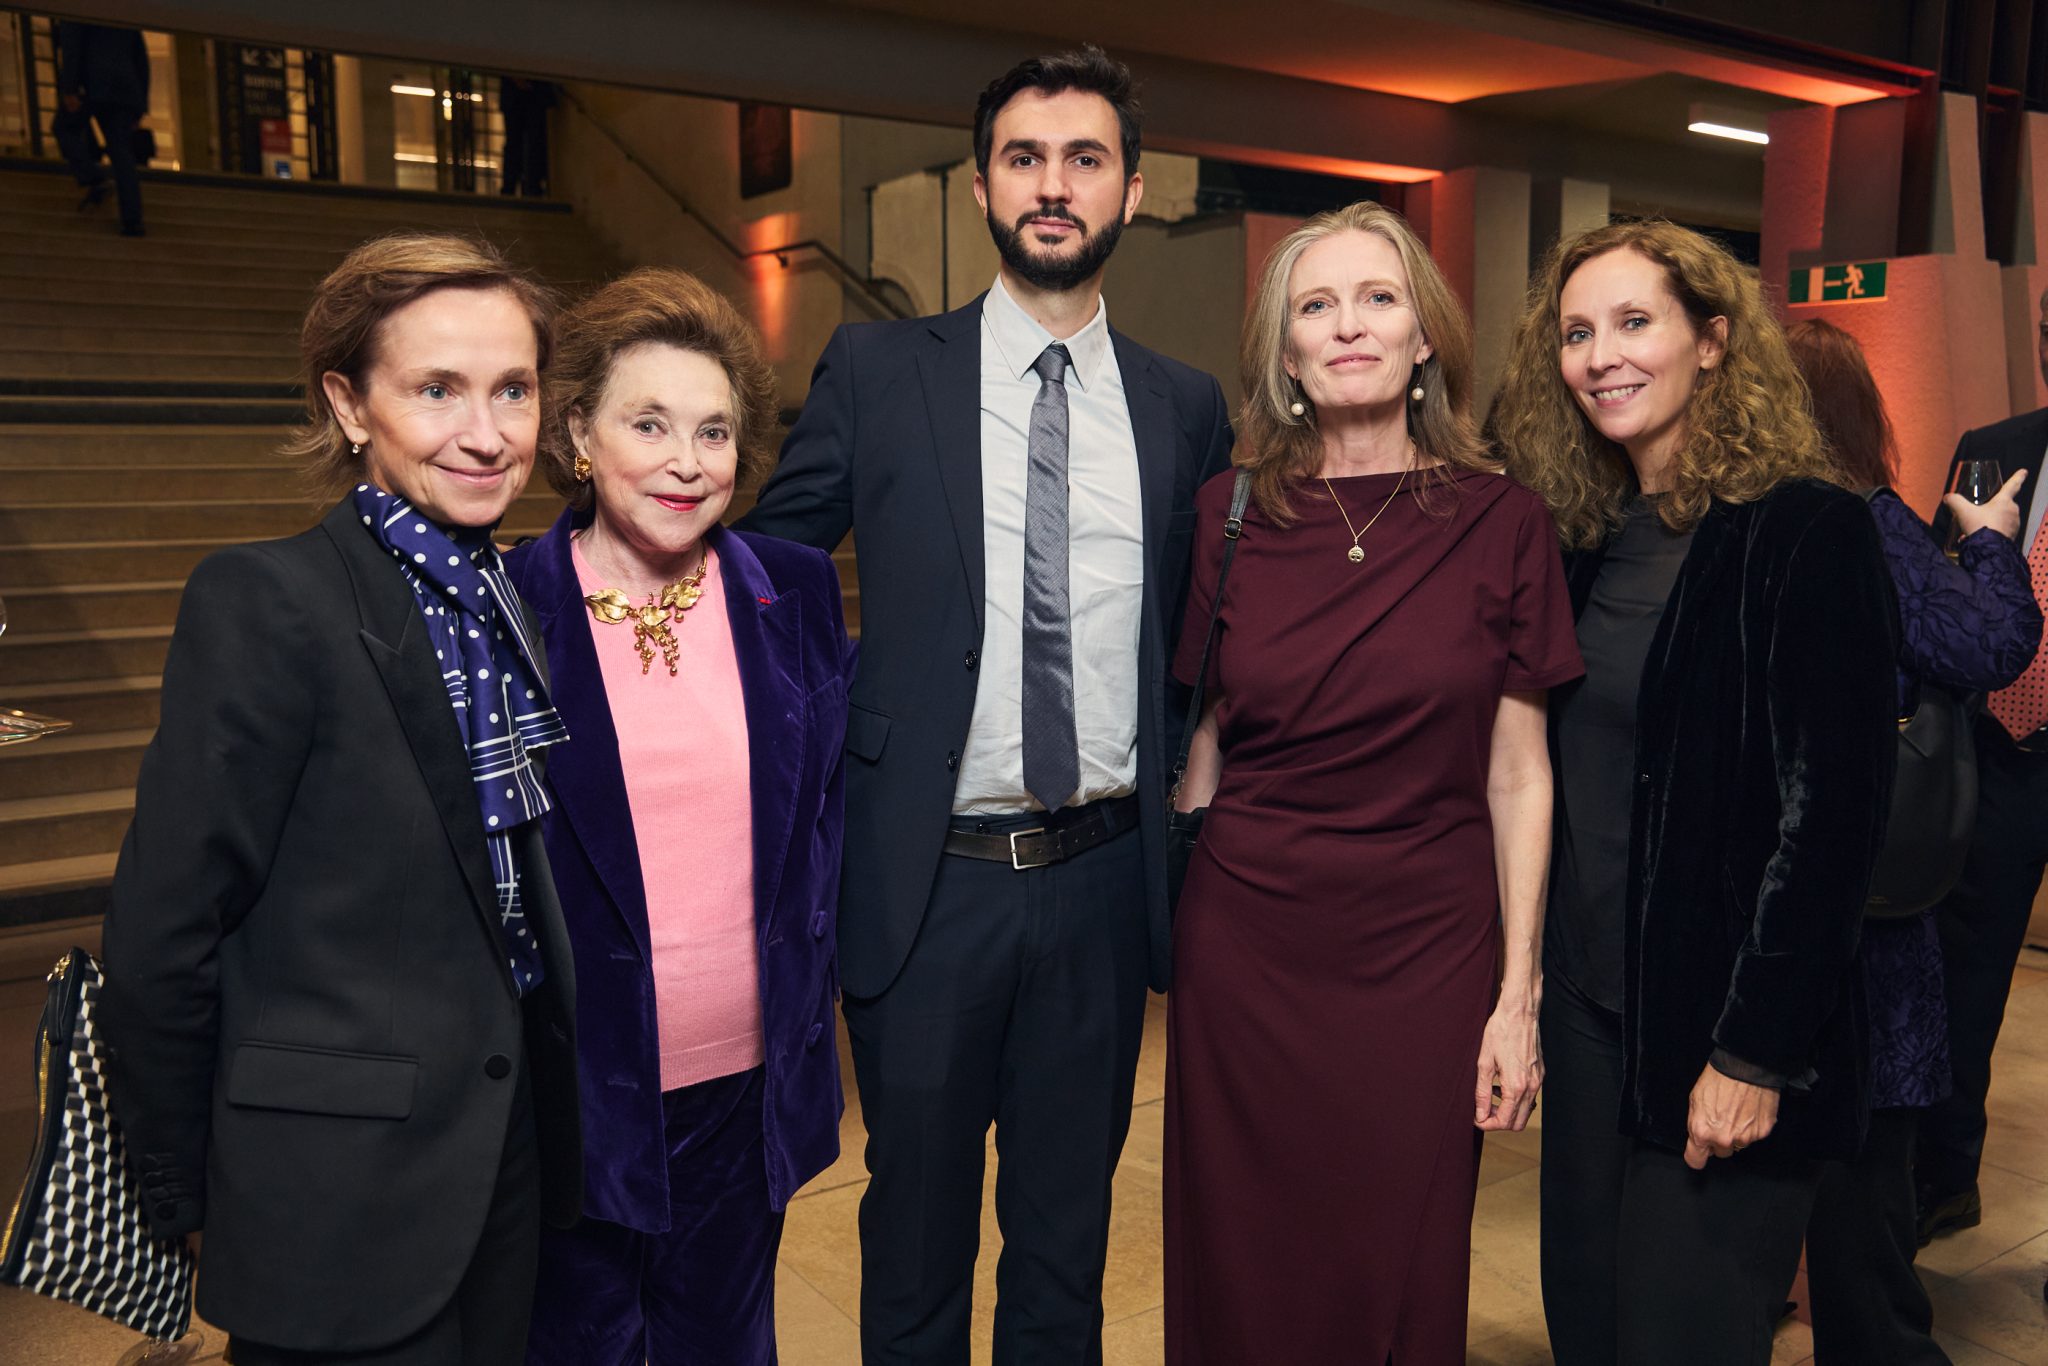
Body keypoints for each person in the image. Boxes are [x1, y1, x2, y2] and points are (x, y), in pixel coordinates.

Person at [739, 45, 1233, 1364]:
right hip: (927, 885)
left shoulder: (1186, 407)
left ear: (1132, 191)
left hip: (1102, 888)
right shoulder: (875, 370)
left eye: (1085, 159)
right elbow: (764, 581)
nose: (1053, 185)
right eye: (1025, 158)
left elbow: (1206, 630)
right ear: (980, 187)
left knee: (1065, 1252)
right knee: (912, 1248)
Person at [97, 233, 581, 1363]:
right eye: (436, 390)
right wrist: (185, 1192)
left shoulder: (505, 600)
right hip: (330, 1192)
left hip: (499, 1156)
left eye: (513, 389)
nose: (487, 433)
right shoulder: (269, 601)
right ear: (349, 404)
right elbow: (165, 929)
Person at [1162, 202, 1580, 1363]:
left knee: (1398, 1250)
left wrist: (1515, 998)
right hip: (1244, 950)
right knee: (1241, 1255)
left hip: (1426, 952)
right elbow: (1206, 738)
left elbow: (1517, 773)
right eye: (1316, 305)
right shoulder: (1226, 513)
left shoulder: (1503, 520)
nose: (1348, 325)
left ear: (1424, 336)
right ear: (1285, 353)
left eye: (1377, 298)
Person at [1496, 220, 1897, 1366]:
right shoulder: (1575, 537)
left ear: (1712, 340)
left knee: (1679, 1341)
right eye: (1576, 332)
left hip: (1724, 1028)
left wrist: (1752, 1055)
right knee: (1587, 1329)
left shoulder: (1807, 530)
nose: (1600, 356)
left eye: (1634, 322)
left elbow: (1830, 827)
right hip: (1587, 1018)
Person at [502, 268, 853, 1365]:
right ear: (578, 434)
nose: (686, 461)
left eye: (713, 431)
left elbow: (826, 818)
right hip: (570, 1100)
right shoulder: (504, 609)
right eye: (647, 423)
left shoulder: (791, 588)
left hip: (748, 1092)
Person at [1785, 318, 2040, 1365]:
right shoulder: (1865, 517)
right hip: (1921, 823)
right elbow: (1983, 639)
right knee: (1890, 1071)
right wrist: (1987, 542)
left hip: (1803, 866)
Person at [1918, 285, 2048, 1246]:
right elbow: (1937, 592)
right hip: (1999, 758)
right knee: (1963, 983)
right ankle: (1943, 1181)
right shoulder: (1994, 448)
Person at [54, 20, 148, 236]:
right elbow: (140, 57)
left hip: (92, 83)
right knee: (121, 151)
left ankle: (93, 177)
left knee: (64, 129)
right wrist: (139, 105)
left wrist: (69, 88)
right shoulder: (121, 13)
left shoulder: (78, 9)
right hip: (124, 88)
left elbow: (72, 46)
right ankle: (132, 221)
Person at [499, 78, 556, 198]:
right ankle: (530, 187)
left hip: (524, 96)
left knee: (528, 144)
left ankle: (518, 187)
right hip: (530, 95)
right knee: (529, 144)